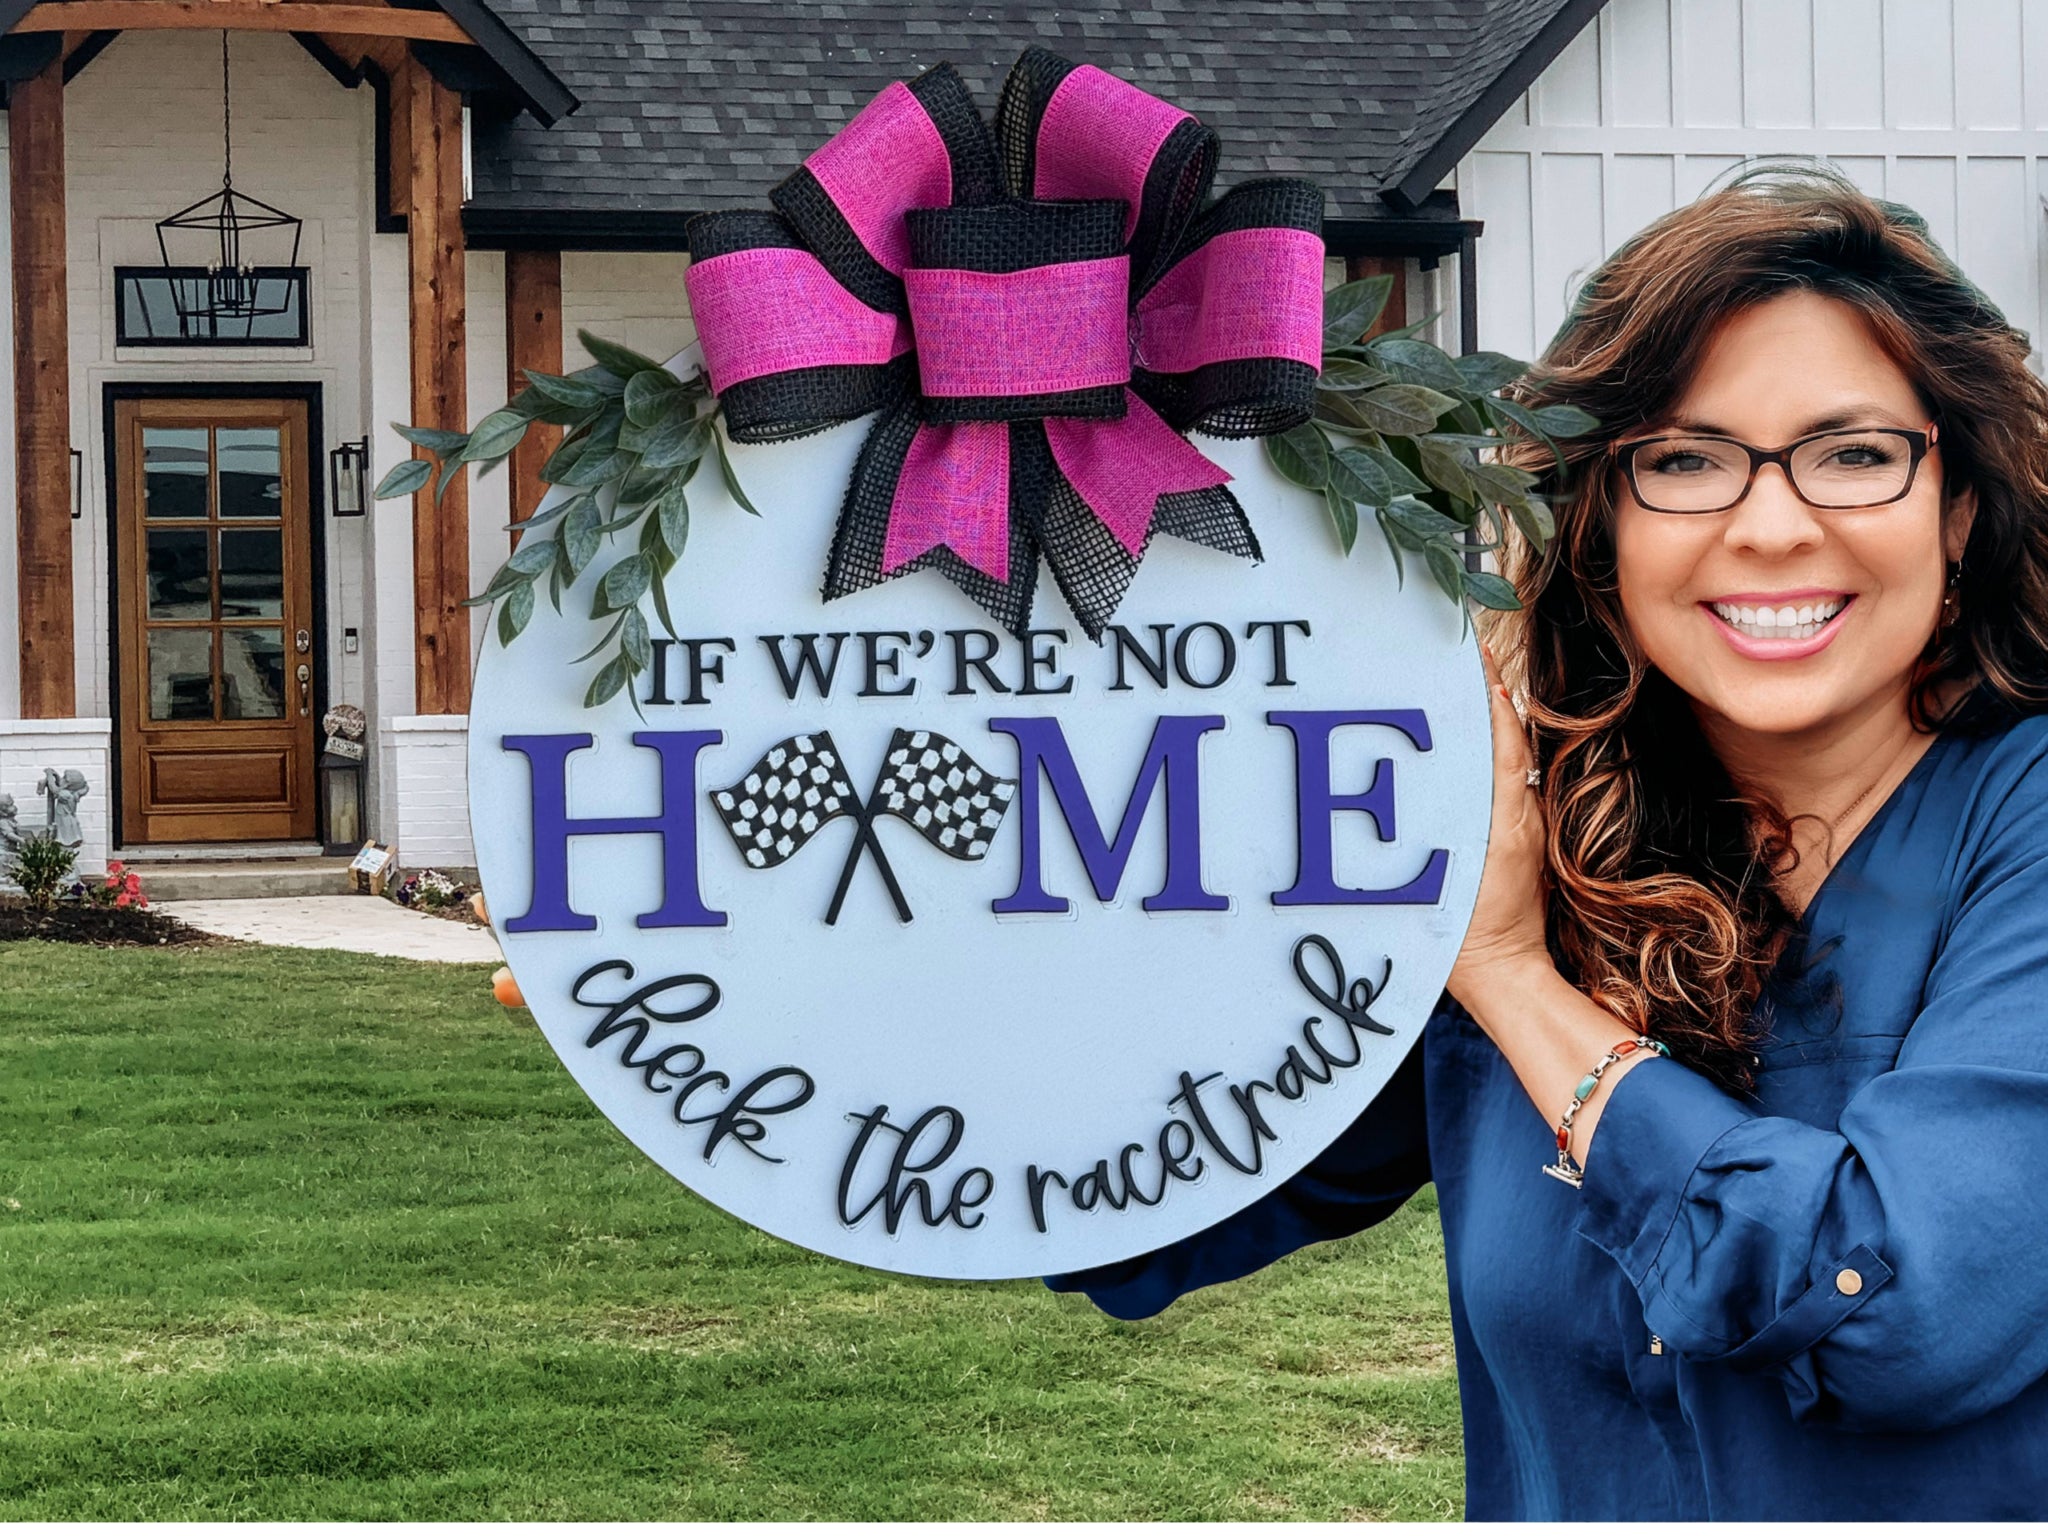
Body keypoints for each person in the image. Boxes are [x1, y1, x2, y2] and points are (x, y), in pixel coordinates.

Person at [1048, 163, 2048, 1520]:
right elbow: (1141, 1192)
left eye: (1855, 454)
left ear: (1962, 505)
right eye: (1684, 461)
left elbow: (1903, 1309)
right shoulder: (1534, 829)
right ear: (1597, 521)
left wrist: (1517, 982)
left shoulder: (2017, 826)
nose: (1769, 525)